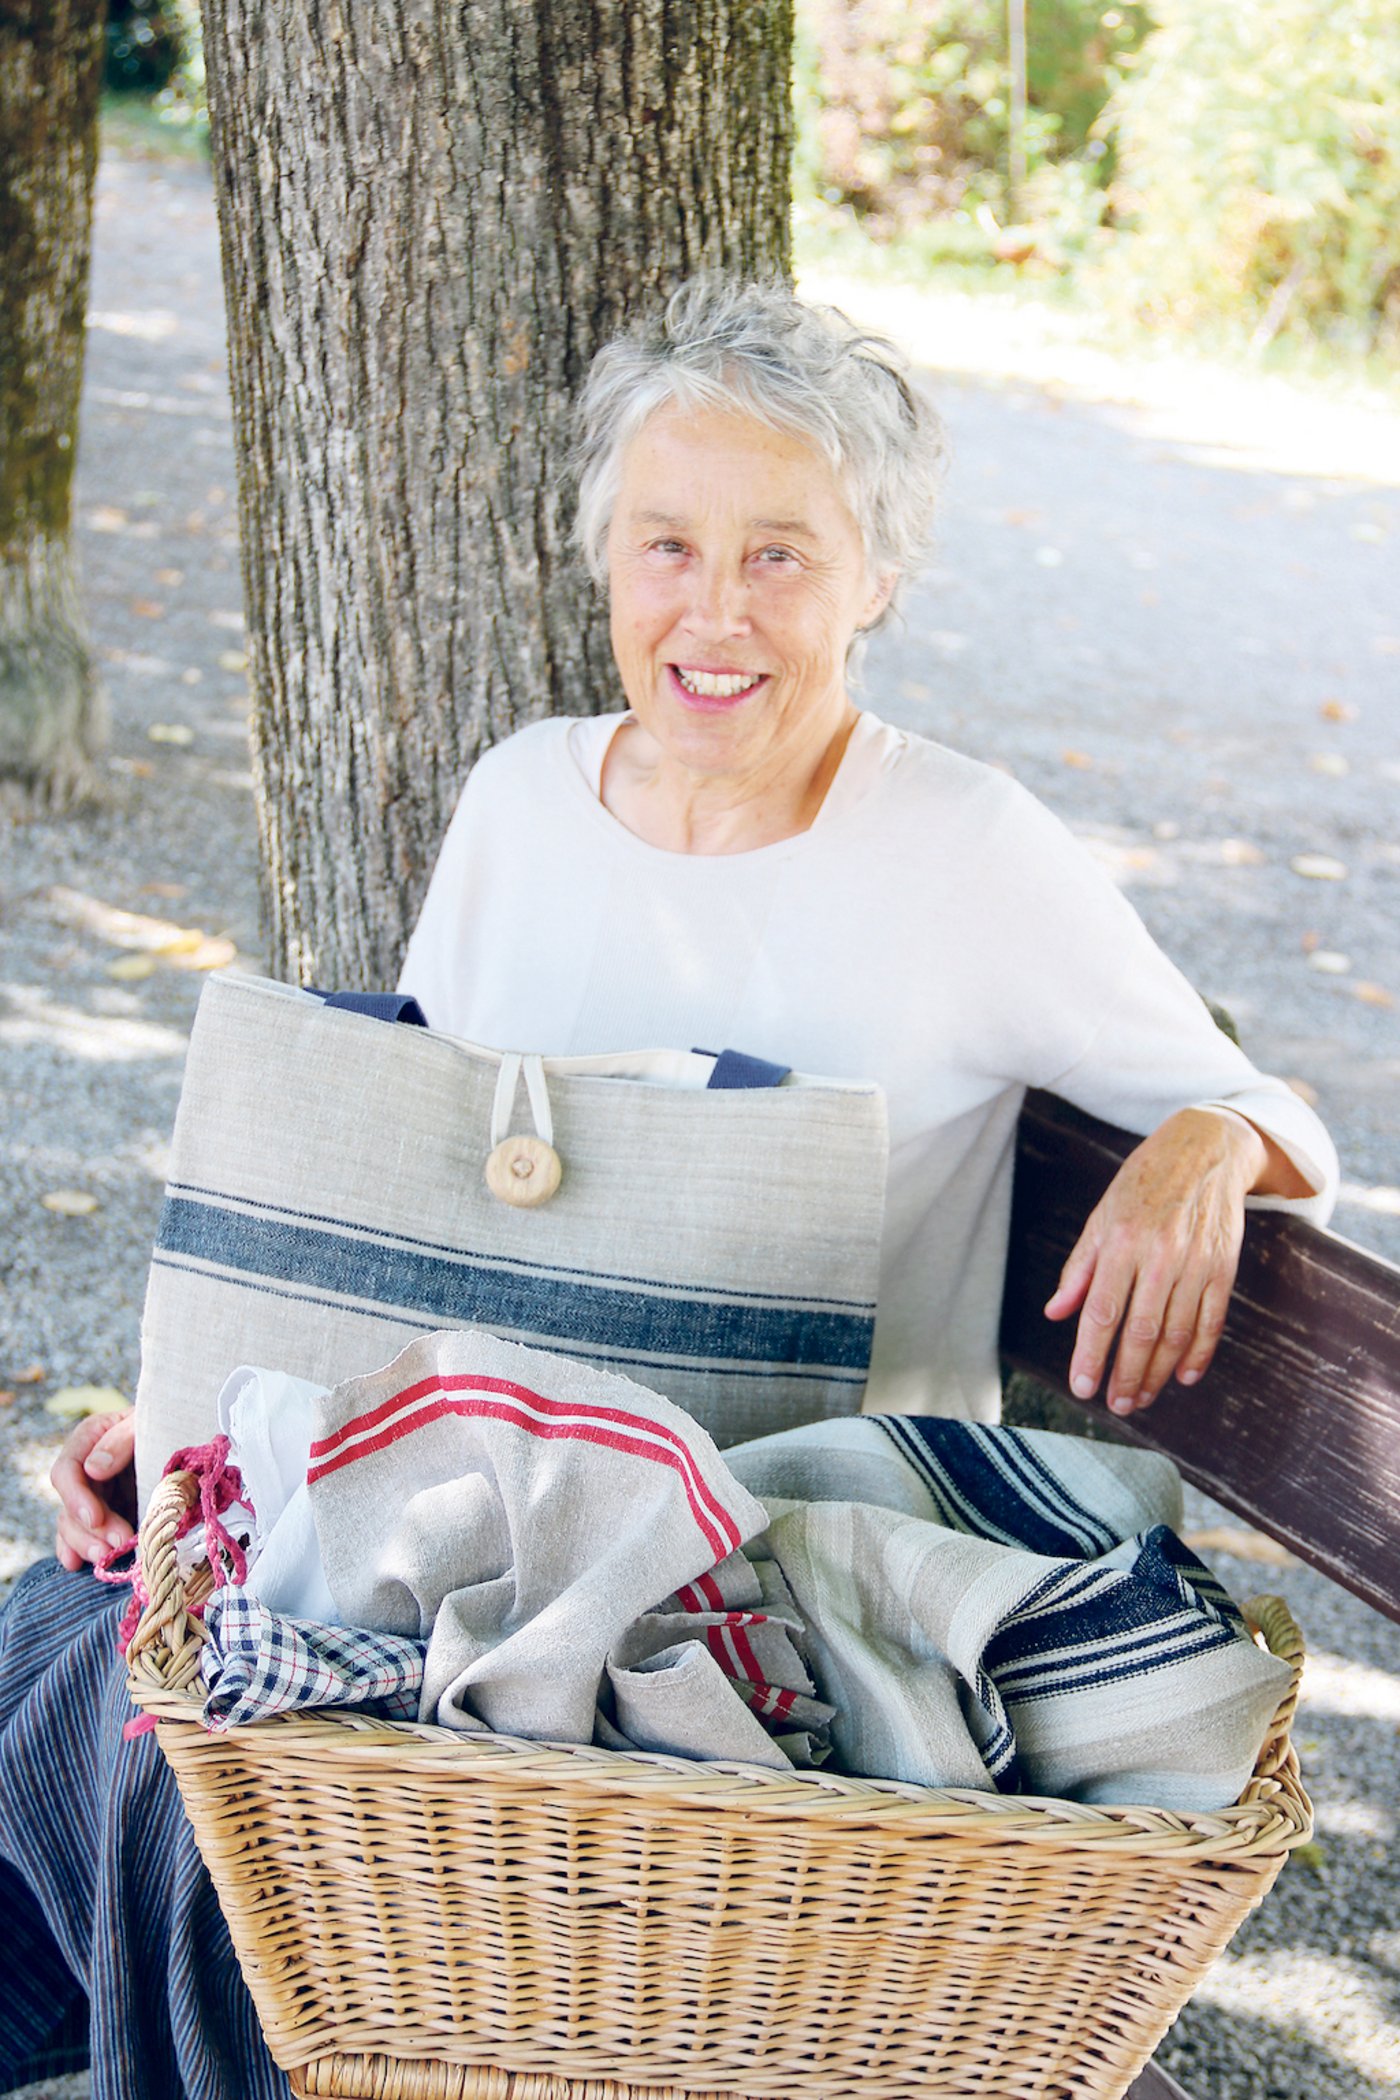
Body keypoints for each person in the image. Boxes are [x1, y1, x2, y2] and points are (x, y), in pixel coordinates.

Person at [18, 275, 1337, 2099]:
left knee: (195, 1786)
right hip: (455, 1549)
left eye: (781, 555)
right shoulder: (520, 806)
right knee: (73, 1664)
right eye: (669, 547)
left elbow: (1268, 1106)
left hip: (729, 1625)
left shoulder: (963, 853)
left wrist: (1209, 1141)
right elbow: (425, 1238)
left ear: (876, 577)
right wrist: (190, 1437)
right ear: (606, 562)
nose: (715, 613)